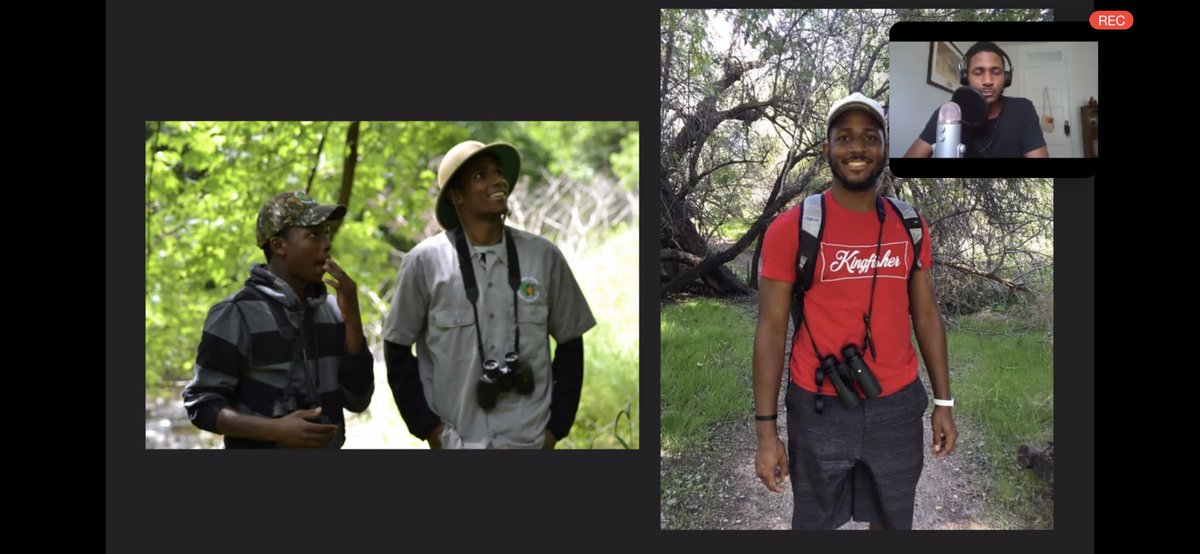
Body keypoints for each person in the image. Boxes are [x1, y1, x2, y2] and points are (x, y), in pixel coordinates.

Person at [753, 93, 958, 529]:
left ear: (885, 148)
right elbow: (770, 331)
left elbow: (926, 317)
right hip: (818, 405)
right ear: (827, 150)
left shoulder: (911, 225)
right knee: (814, 522)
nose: (857, 148)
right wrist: (767, 434)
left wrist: (943, 402)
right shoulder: (792, 228)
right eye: (844, 138)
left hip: (897, 406)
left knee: (892, 519)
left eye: (869, 137)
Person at [383, 140, 596, 449]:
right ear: (457, 197)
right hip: (459, 442)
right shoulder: (424, 263)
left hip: (531, 440)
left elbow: (570, 344)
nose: (498, 180)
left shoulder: (543, 256)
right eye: (480, 175)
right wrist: (431, 431)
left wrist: (555, 430)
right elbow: (396, 350)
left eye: (498, 173)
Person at [182, 191, 375, 448]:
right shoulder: (236, 313)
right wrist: (274, 430)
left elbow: (358, 400)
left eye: (326, 232)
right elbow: (201, 405)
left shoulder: (333, 311)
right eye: (313, 235)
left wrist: (352, 319)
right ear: (278, 246)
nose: (327, 243)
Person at [904, 41, 1049, 158]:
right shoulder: (949, 112)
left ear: (1006, 78)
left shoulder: (1023, 109)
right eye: (978, 72)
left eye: (996, 72)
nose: (987, 81)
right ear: (965, 77)